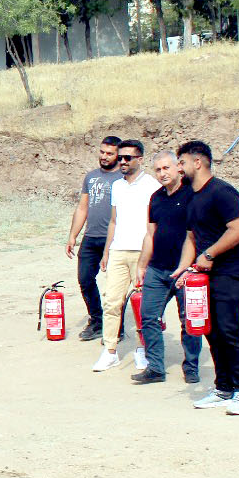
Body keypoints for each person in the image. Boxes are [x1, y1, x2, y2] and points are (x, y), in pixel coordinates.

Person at [176, 140, 239, 415]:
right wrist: (183, 268)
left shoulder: (222, 192)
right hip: (207, 274)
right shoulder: (192, 196)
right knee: (211, 329)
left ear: (197, 162)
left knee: (230, 328)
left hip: (235, 270)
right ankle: (223, 388)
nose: (179, 168)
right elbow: (190, 238)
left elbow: (238, 230)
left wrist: (209, 254)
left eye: (182, 162)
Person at [132, 151, 202, 386]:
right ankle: (155, 368)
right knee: (148, 317)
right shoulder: (156, 198)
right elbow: (150, 233)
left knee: (189, 320)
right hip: (157, 269)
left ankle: (191, 367)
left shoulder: (192, 194)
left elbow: (197, 234)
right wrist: (142, 265)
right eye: (158, 170)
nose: (162, 173)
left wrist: (191, 267)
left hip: (184, 271)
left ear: (178, 168)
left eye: (166, 168)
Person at [94, 139, 160, 373]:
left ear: (139, 159)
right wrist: (106, 251)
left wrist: (151, 255)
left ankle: (143, 350)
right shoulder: (117, 186)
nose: (121, 161)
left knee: (142, 305)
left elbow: (154, 224)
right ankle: (110, 351)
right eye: (120, 157)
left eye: (127, 158)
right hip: (118, 251)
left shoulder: (152, 186)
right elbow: (113, 221)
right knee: (112, 301)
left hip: (142, 252)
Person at [66, 136, 124, 341]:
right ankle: (97, 320)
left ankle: (118, 326)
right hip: (91, 237)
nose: (105, 157)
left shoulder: (123, 178)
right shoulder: (90, 177)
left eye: (110, 153)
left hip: (116, 240)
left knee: (116, 286)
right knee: (84, 279)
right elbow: (83, 208)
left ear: (118, 155)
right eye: (102, 152)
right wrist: (73, 235)